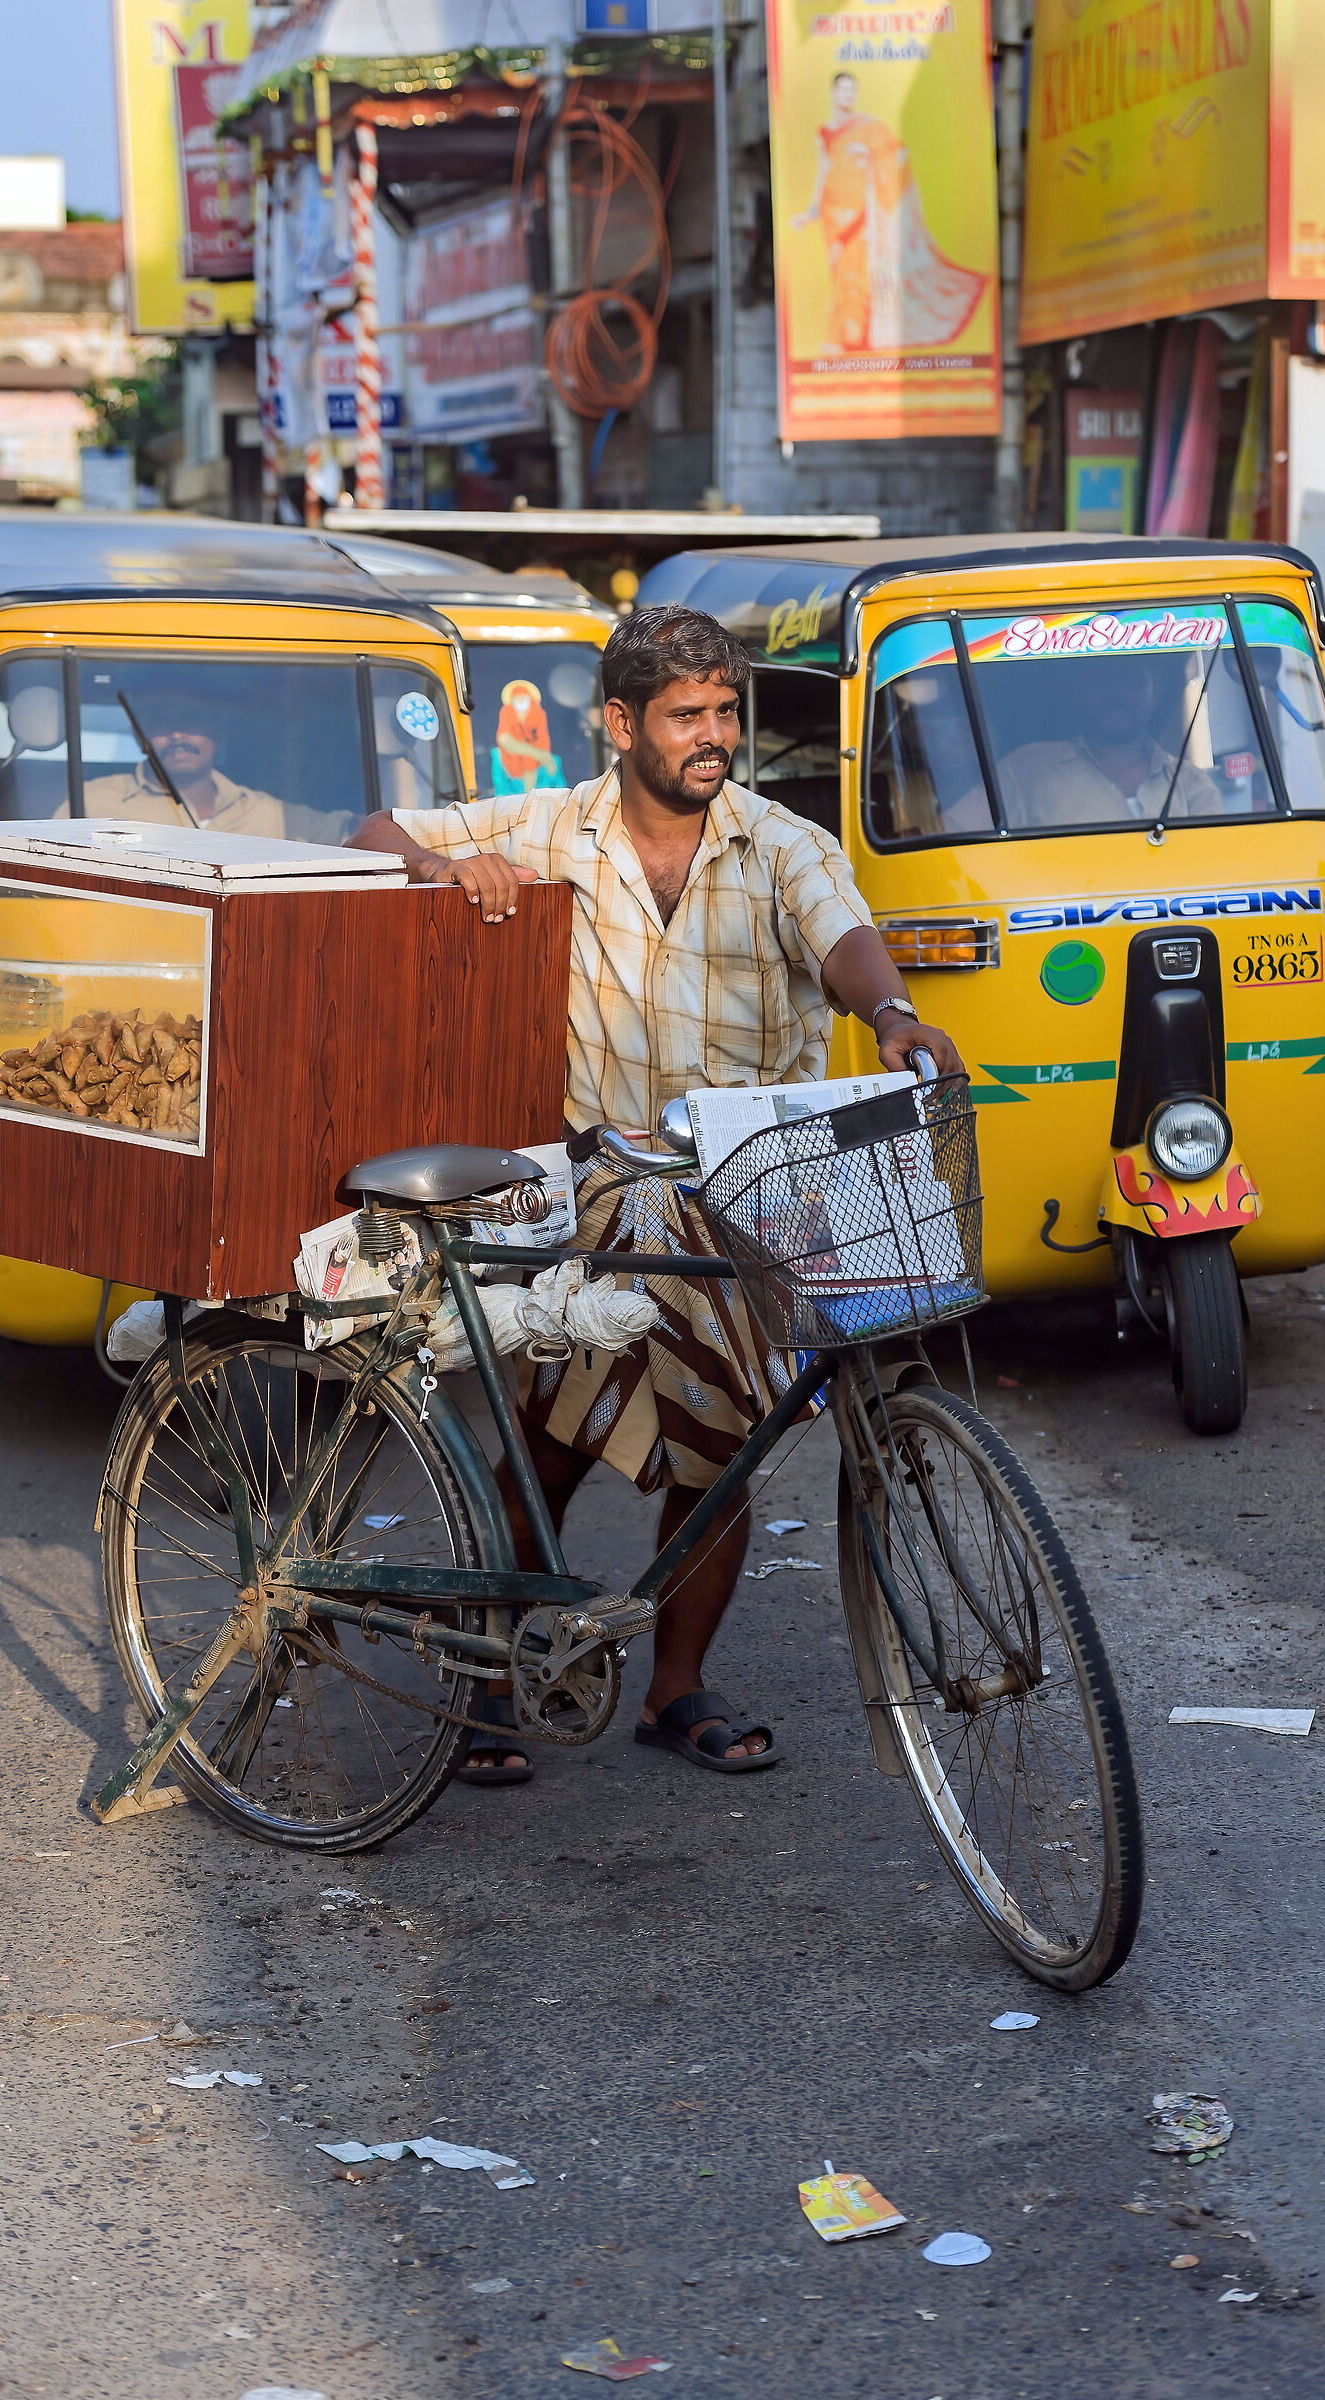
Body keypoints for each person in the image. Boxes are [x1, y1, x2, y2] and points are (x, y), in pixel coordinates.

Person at [350, 604, 964, 1783]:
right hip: (596, 1189)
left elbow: (845, 942)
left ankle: (673, 1690)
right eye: (689, 714)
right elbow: (376, 825)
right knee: (549, 1446)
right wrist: (440, 865)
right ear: (622, 722)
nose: (714, 735)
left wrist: (891, 1015)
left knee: (722, 1443)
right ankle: (481, 1677)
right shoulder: (548, 826)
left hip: (749, 1185)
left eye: (727, 711)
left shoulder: (779, 842)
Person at [790, 72, 985, 356]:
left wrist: (869, 157)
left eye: (852, 91)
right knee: (838, 273)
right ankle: (847, 334)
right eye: (843, 90)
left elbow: (898, 158)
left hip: (861, 212)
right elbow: (823, 171)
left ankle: (850, 335)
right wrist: (810, 212)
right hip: (833, 212)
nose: (848, 96)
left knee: (854, 272)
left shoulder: (870, 127)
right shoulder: (825, 133)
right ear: (833, 93)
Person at [947, 658, 1219, 832]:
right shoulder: (1027, 769)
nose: (1115, 694)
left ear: (1155, 694)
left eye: (1130, 681)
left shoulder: (1191, 783)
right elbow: (948, 833)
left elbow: (1222, 859)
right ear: (1078, 694)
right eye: (1100, 683)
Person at [73, 692, 356, 842]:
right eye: (161, 722)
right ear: (141, 738)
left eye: (191, 721)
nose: (177, 735)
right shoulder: (93, 802)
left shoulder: (268, 814)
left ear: (219, 735)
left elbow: (354, 831)